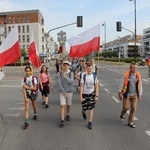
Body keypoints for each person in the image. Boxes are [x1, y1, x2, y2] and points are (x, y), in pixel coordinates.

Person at [118, 63, 143, 128]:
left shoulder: (138, 75)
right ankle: (122, 114)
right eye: (133, 67)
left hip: (134, 94)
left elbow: (140, 85)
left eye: (135, 68)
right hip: (127, 94)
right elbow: (121, 83)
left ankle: (130, 122)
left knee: (133, 108)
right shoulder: (125, 75)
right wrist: (119, 92)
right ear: (130, 68)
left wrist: (140, 94)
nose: (134, 69)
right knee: (126, 107)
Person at [80, 64, 99, 129]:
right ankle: (83, 112)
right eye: (88, 68)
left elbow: (96, 86)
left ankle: (90, 122)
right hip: (85, 94)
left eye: (90, 68)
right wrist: (80, 96)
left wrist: (96, 95)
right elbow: (82, 86)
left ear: (92, 69)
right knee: (85, 107)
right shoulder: (84, 76)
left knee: (91, 108)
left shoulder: (94, 76)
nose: (89, 69)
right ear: (86, 69)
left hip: (92, 94)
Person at [57, 60, 74, 127]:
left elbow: (71, 82)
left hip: (69, 91)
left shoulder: (71, 74)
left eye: (67, 65)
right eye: (64, 65)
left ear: (69, 66)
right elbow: (59, 82)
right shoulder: (60, 73)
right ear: (62, 66)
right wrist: (63, 90)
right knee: (62, 105)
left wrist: (66, 77)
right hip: (62, 92)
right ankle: (62, 119)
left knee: (68, 105)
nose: (65, 66)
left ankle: (68, 114)